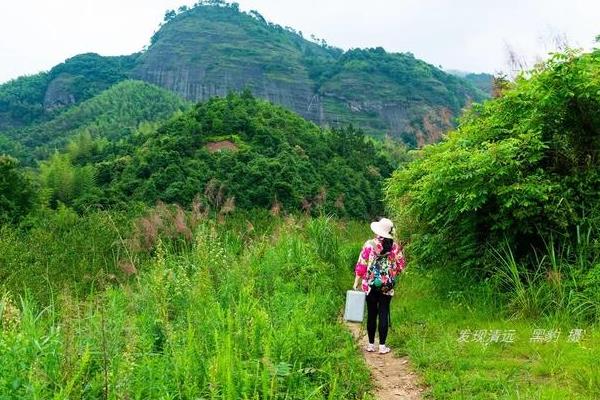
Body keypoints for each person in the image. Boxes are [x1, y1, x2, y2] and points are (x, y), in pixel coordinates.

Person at [353, 217, 405, 354]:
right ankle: (382, 346)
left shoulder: (369, 244)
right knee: (383, 312)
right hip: (387, 285)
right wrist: (390, 275)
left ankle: (370, 345)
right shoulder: (395, 247)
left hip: (370, 284)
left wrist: (356, 282)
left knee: (371, 313)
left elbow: (361, 265)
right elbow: (400, 267)